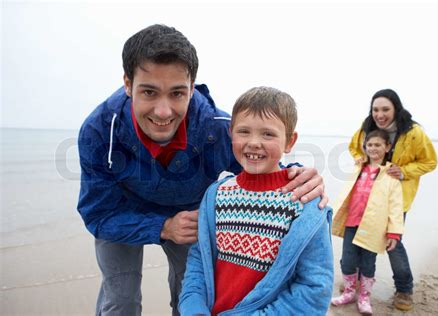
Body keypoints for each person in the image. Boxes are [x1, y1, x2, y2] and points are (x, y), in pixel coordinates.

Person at [77, 24, 327, 316]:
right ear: (127, 84)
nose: (163, 111)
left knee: (191, 290)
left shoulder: (218, 128)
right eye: (148, 92)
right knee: (120, 299)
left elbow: (260, 166)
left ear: (192, 88)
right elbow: (98, 214)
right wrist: (162, 227)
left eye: (177, 94)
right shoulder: (98, 131)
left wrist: (296, 176)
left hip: (189, 217)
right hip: (120, 211)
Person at [178, 86, 334, 316]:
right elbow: (199, 261)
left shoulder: (304, 204)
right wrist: (193, 307)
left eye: (268, 134)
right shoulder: (216, 195)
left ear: (290, 141)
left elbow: (314, 290)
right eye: (244, 131)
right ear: (231, 133)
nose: (253, 142)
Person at [348, 89, 438, 311]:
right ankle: (357, 281)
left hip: (396, 197)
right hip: (367, 195)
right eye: (375, 109)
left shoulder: (414, 132)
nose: (380, 114)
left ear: (396, 108)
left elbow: (430, 162)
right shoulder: (366, 128)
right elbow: (353, 147)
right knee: (362, 237)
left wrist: (404, 171)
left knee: (392, 243)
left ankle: (404, 288)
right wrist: (359, 157)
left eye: (385, 109)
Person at [331, 129, 404, 315]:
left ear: (387, 147)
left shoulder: (391, 176)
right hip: (351, 222)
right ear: (365, 148)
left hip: (373, 227)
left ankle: (364, 297)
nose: (373, 148)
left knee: (368, 263)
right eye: (370, 145)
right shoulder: (359, 169)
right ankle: (349, 292)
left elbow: (396, 207)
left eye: (378, 145)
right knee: (347, 260)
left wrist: (394, 233)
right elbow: (346, 194)